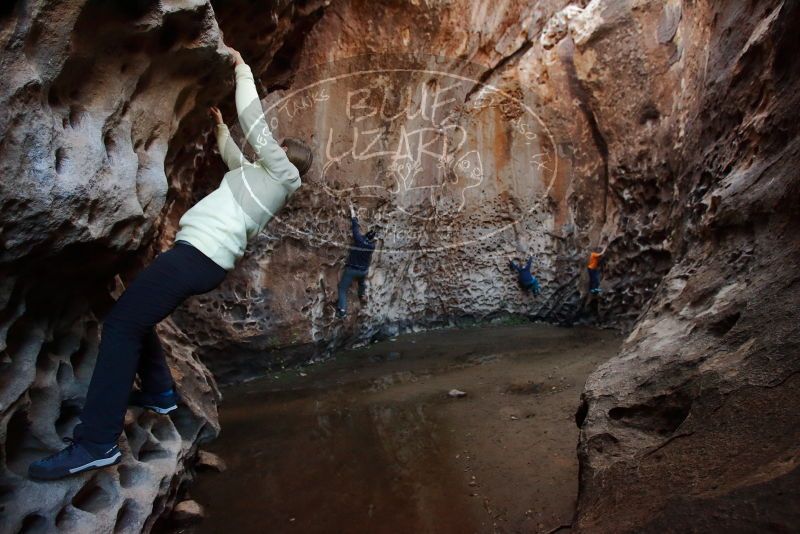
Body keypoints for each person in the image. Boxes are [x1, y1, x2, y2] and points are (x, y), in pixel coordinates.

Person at [28, 47, 313, 480]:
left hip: (199, 256)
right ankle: (160, 392)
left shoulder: (284, 178)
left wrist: (242, 70)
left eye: (278, 150)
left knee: (122, 325)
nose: (271, 151)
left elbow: (257, 129)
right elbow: (236, 158)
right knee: (136, 319)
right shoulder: (256, 178)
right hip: (196, 256)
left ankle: (96, 443)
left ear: (287, 162)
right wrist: (219, 128)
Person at [336, 206, 377, 318]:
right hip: (362, 271)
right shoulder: (372, 247)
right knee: (362, 281)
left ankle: (343, 311)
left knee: (342, 289)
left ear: (365, 234)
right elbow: (370, 241)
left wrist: (352, 211)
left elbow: (355, 226)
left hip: (352, 270)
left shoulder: (359, 240)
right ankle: (362, 293)